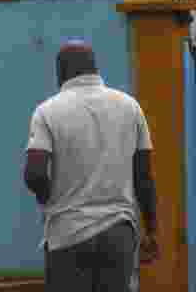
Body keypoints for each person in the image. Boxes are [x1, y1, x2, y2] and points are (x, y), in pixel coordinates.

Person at [24, 39, 160, 291]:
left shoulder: (47, 112)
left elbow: (35, 174)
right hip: (118, 234)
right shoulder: (130, 107)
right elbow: (144, 177)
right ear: (95, 69)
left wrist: (49, 201)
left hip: (67, 234)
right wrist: (151, 230)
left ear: (61, 72)